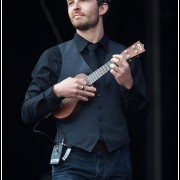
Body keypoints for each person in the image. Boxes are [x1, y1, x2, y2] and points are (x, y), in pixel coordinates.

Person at [21, 0, 149, 179]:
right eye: (70, 3)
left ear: (102, 8)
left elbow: (141, 118)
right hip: (71, 162)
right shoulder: (54, 56)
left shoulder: (124, 56)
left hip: (118, 163)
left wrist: (128, 86)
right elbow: (27, 112)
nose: (75, 6)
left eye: (83, 0)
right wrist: (57, 91)